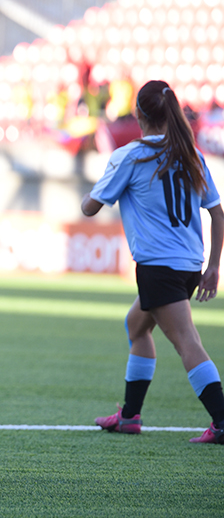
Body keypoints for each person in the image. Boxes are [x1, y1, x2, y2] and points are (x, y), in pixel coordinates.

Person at [82, 79, 224, 444]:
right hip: (189, 263)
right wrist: (213, 267)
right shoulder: (191, 154)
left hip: (159, 265)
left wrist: (95, 189)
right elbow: (218, 214)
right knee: (136, 325)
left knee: (187, 342)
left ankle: (223, 421)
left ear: (140, 115)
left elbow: (90, 208)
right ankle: (129, 416)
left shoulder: (132, 155)